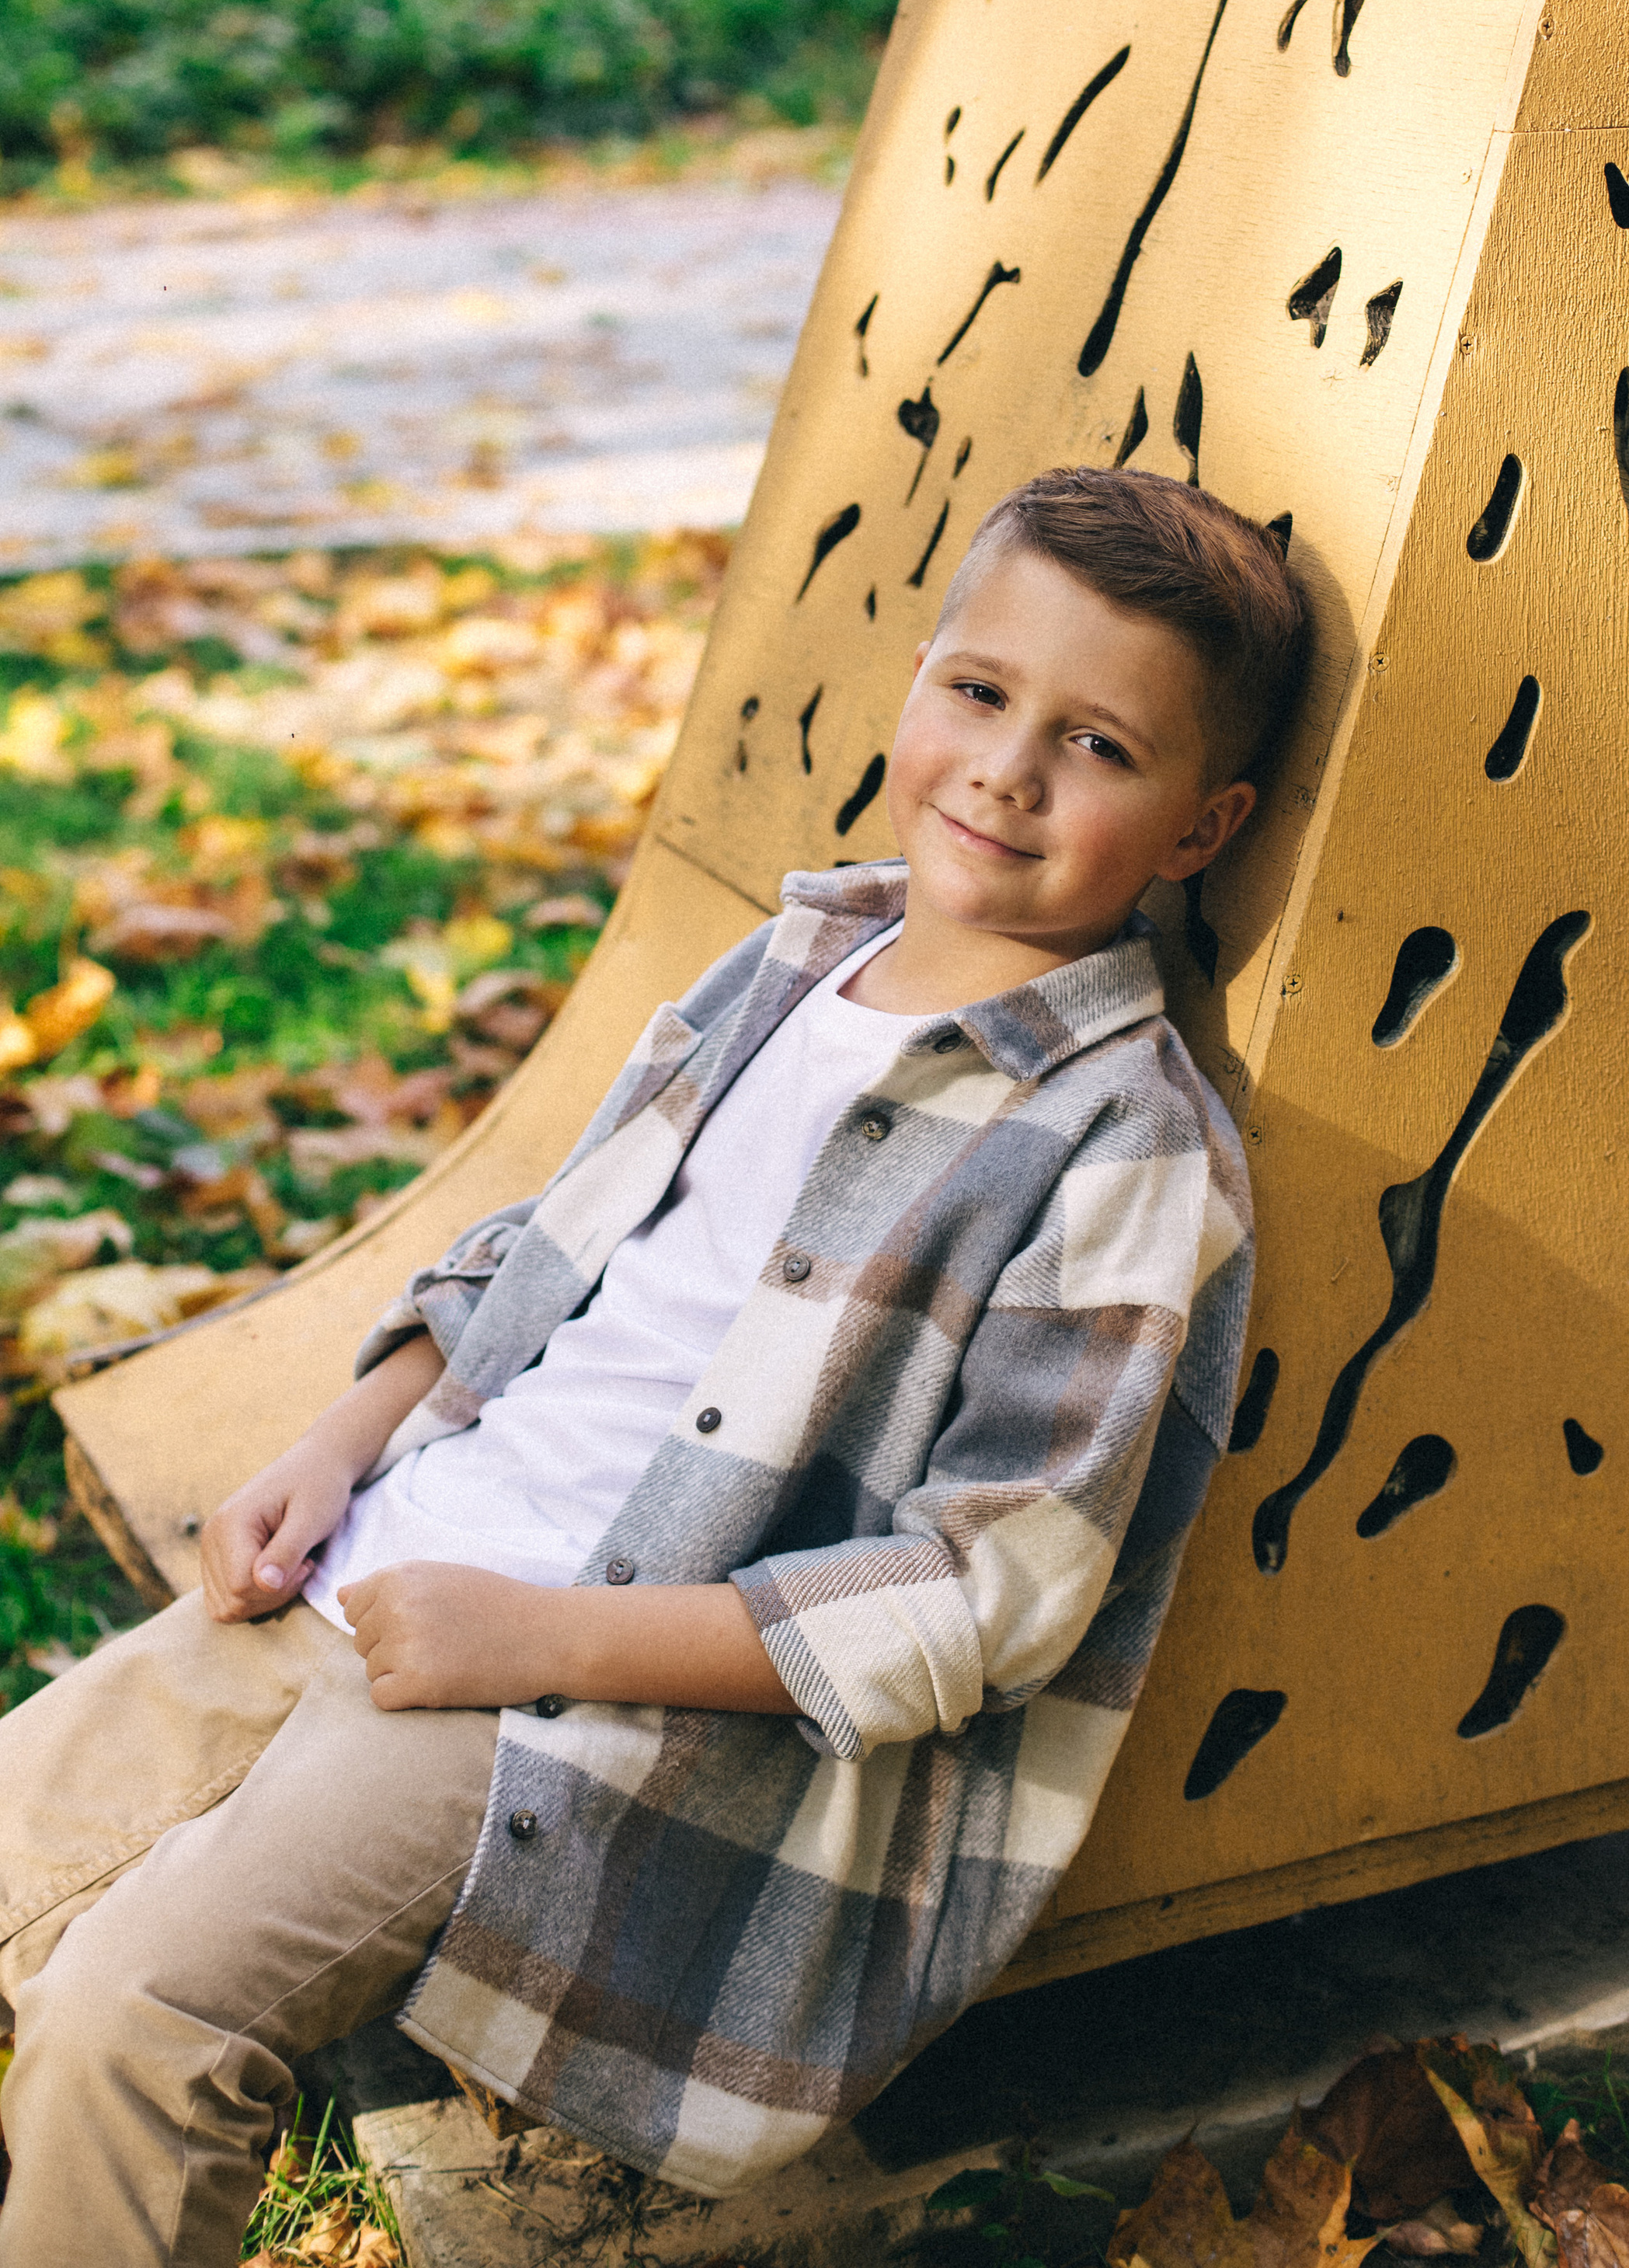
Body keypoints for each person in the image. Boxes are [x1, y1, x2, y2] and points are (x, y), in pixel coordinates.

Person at [0, 464, 1308, 2266]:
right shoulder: (791, 960)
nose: (1006, 769)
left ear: (1198, 823)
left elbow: (989, 1590)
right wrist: (340, 1438)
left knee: (136, 2017)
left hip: (562, 1699)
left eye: (1097, 746)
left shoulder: (1119, 1147)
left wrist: (540, 1640)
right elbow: (549, 1252)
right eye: (982, 694)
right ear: (920, 678)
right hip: (379, 1550)